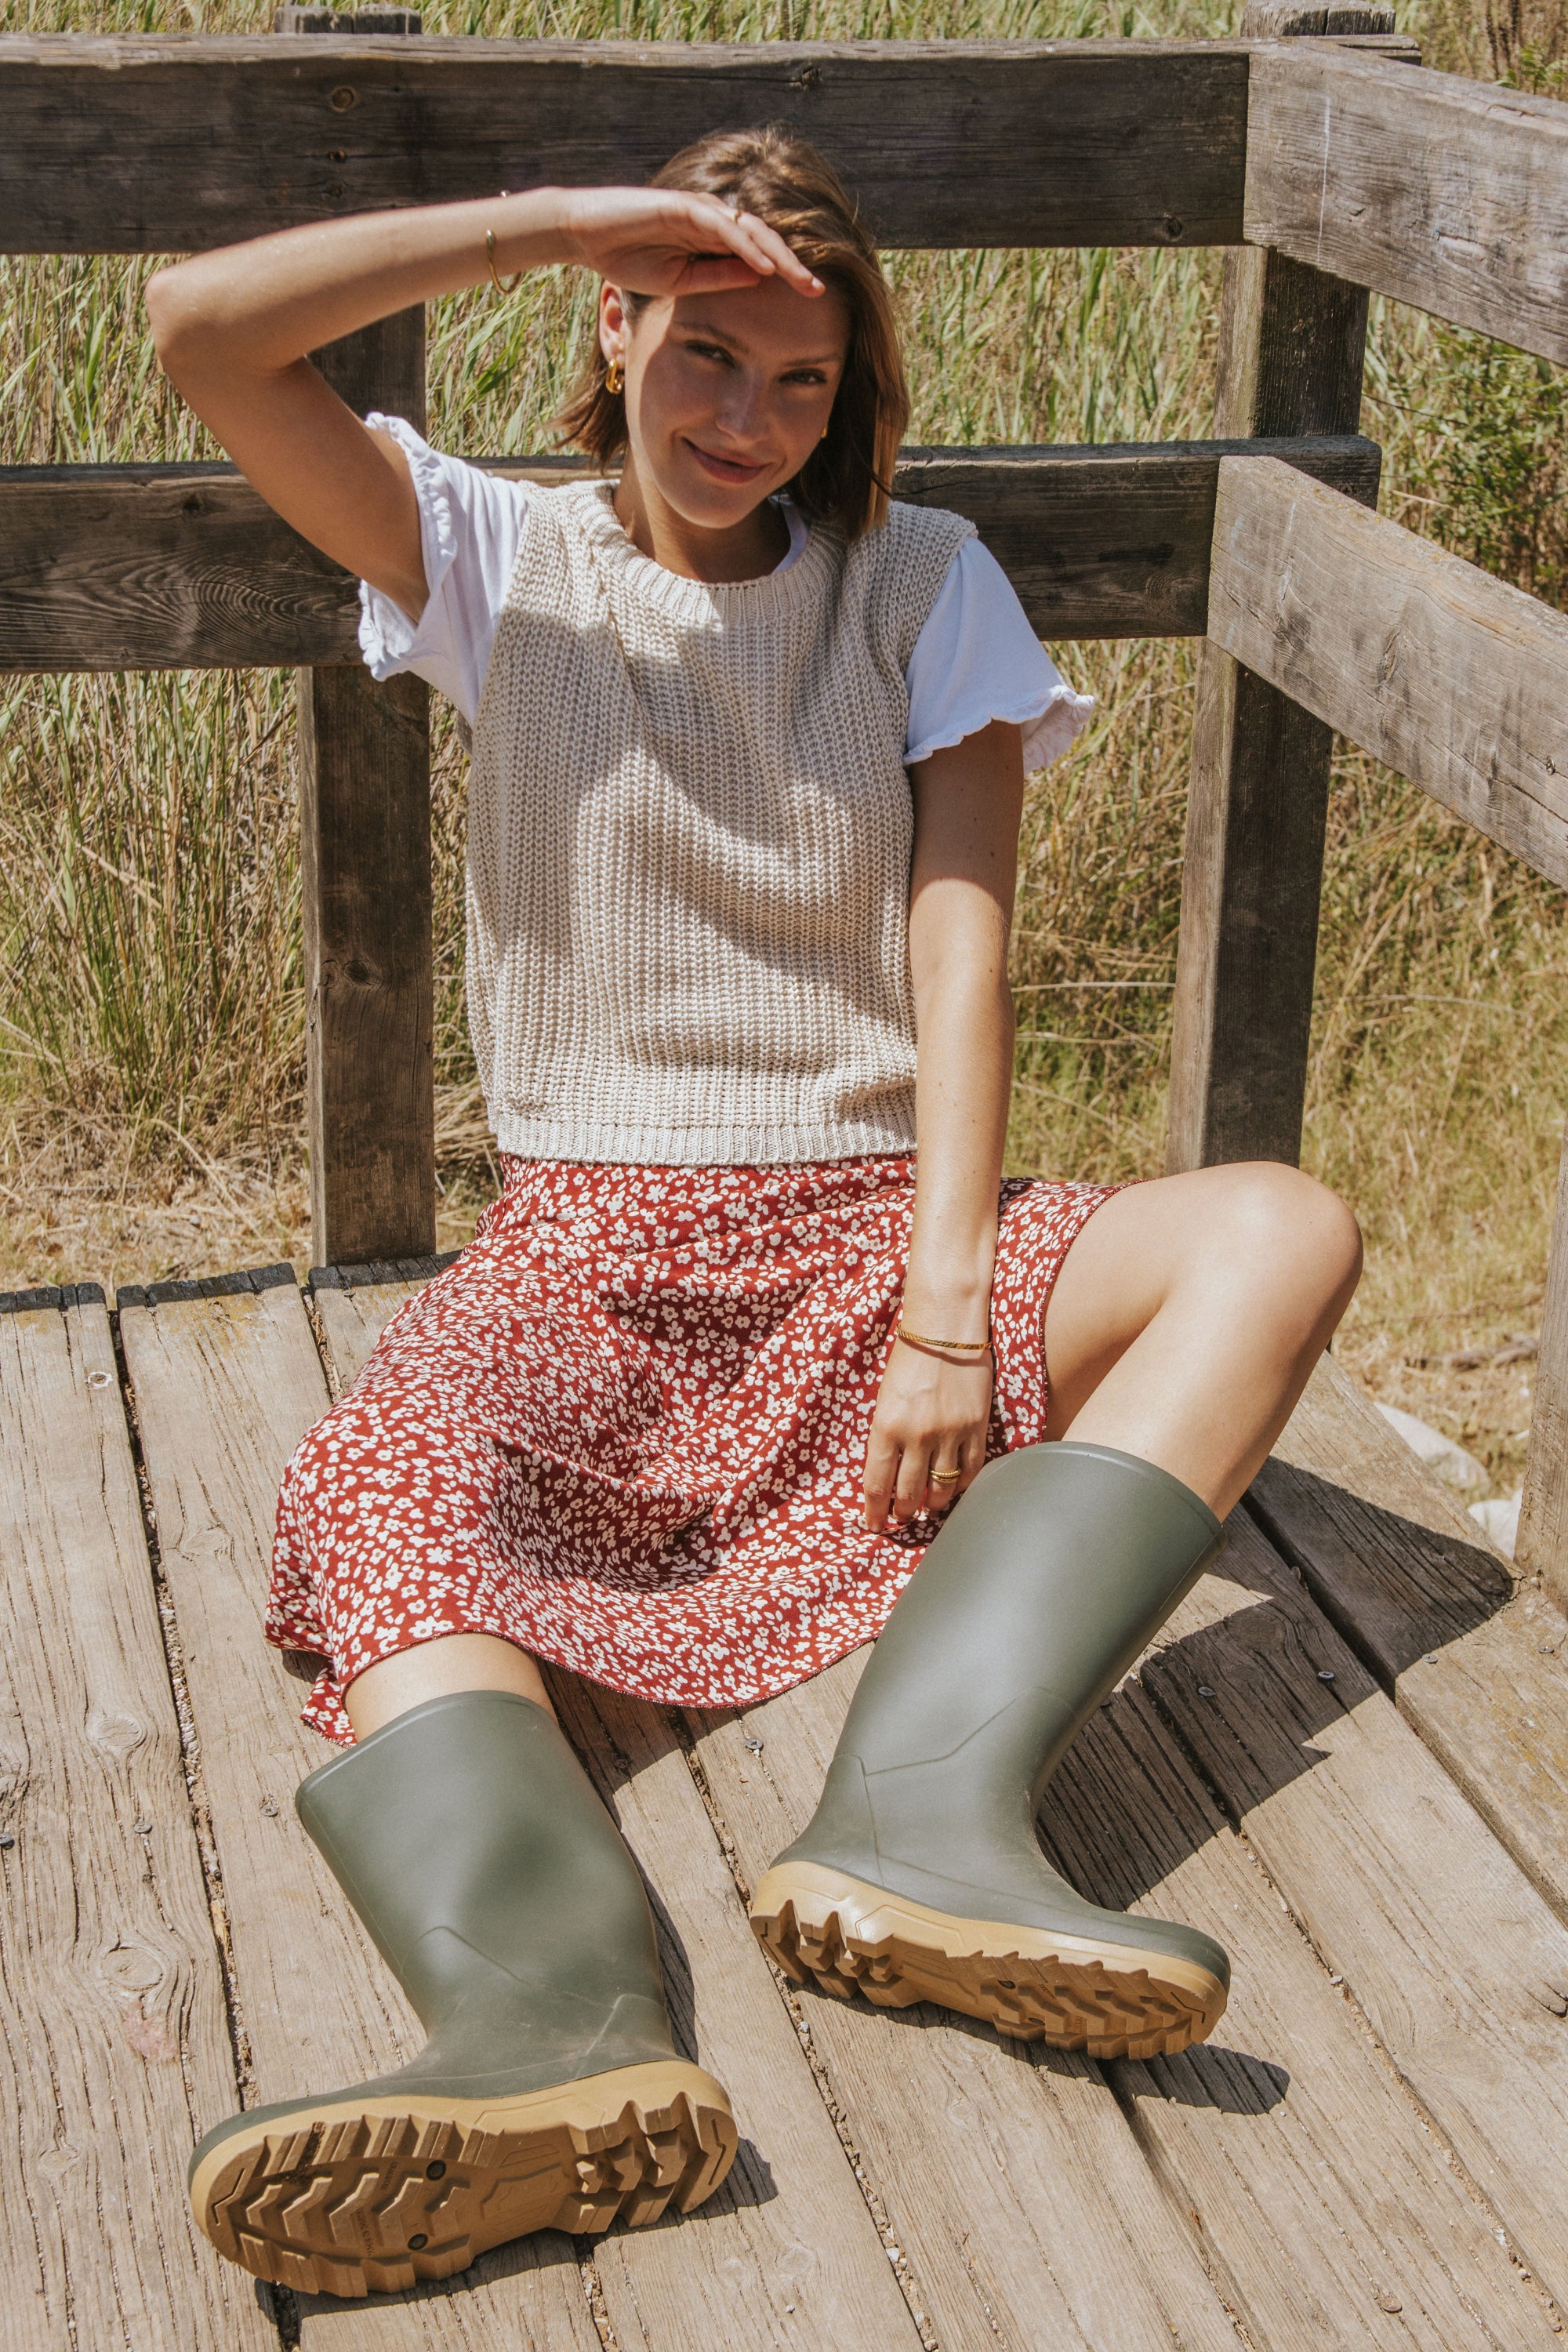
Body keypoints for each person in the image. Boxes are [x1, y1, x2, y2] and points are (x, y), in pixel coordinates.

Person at [147, 125, 1362, 2301]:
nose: (746, 424)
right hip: (594, 1246)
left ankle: (922, 1827)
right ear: (611, 335)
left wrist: (938, 1304)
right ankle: (553, 2027)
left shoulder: (924, 580)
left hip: (872, 1223)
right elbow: (199, 332)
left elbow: (955, 947)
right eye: (703, 356)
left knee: (1278, 1227)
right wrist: (555, 217)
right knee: (377, 1500)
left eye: (800, 386)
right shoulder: (487, 555)